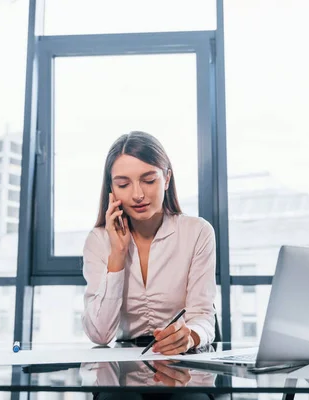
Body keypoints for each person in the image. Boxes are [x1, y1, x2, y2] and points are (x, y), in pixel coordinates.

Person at [82, 131, 217, 356]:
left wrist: (190, 336)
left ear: (166, 179)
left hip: (182, 357)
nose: (137, 195)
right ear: (112, 190)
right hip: (122, 362)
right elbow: (101, 335)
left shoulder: (198, 232)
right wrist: (118, 253)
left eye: (148, 180)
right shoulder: (98, 241)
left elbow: (203, 316)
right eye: (123, 184)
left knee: (193, 393)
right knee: (117, 393)